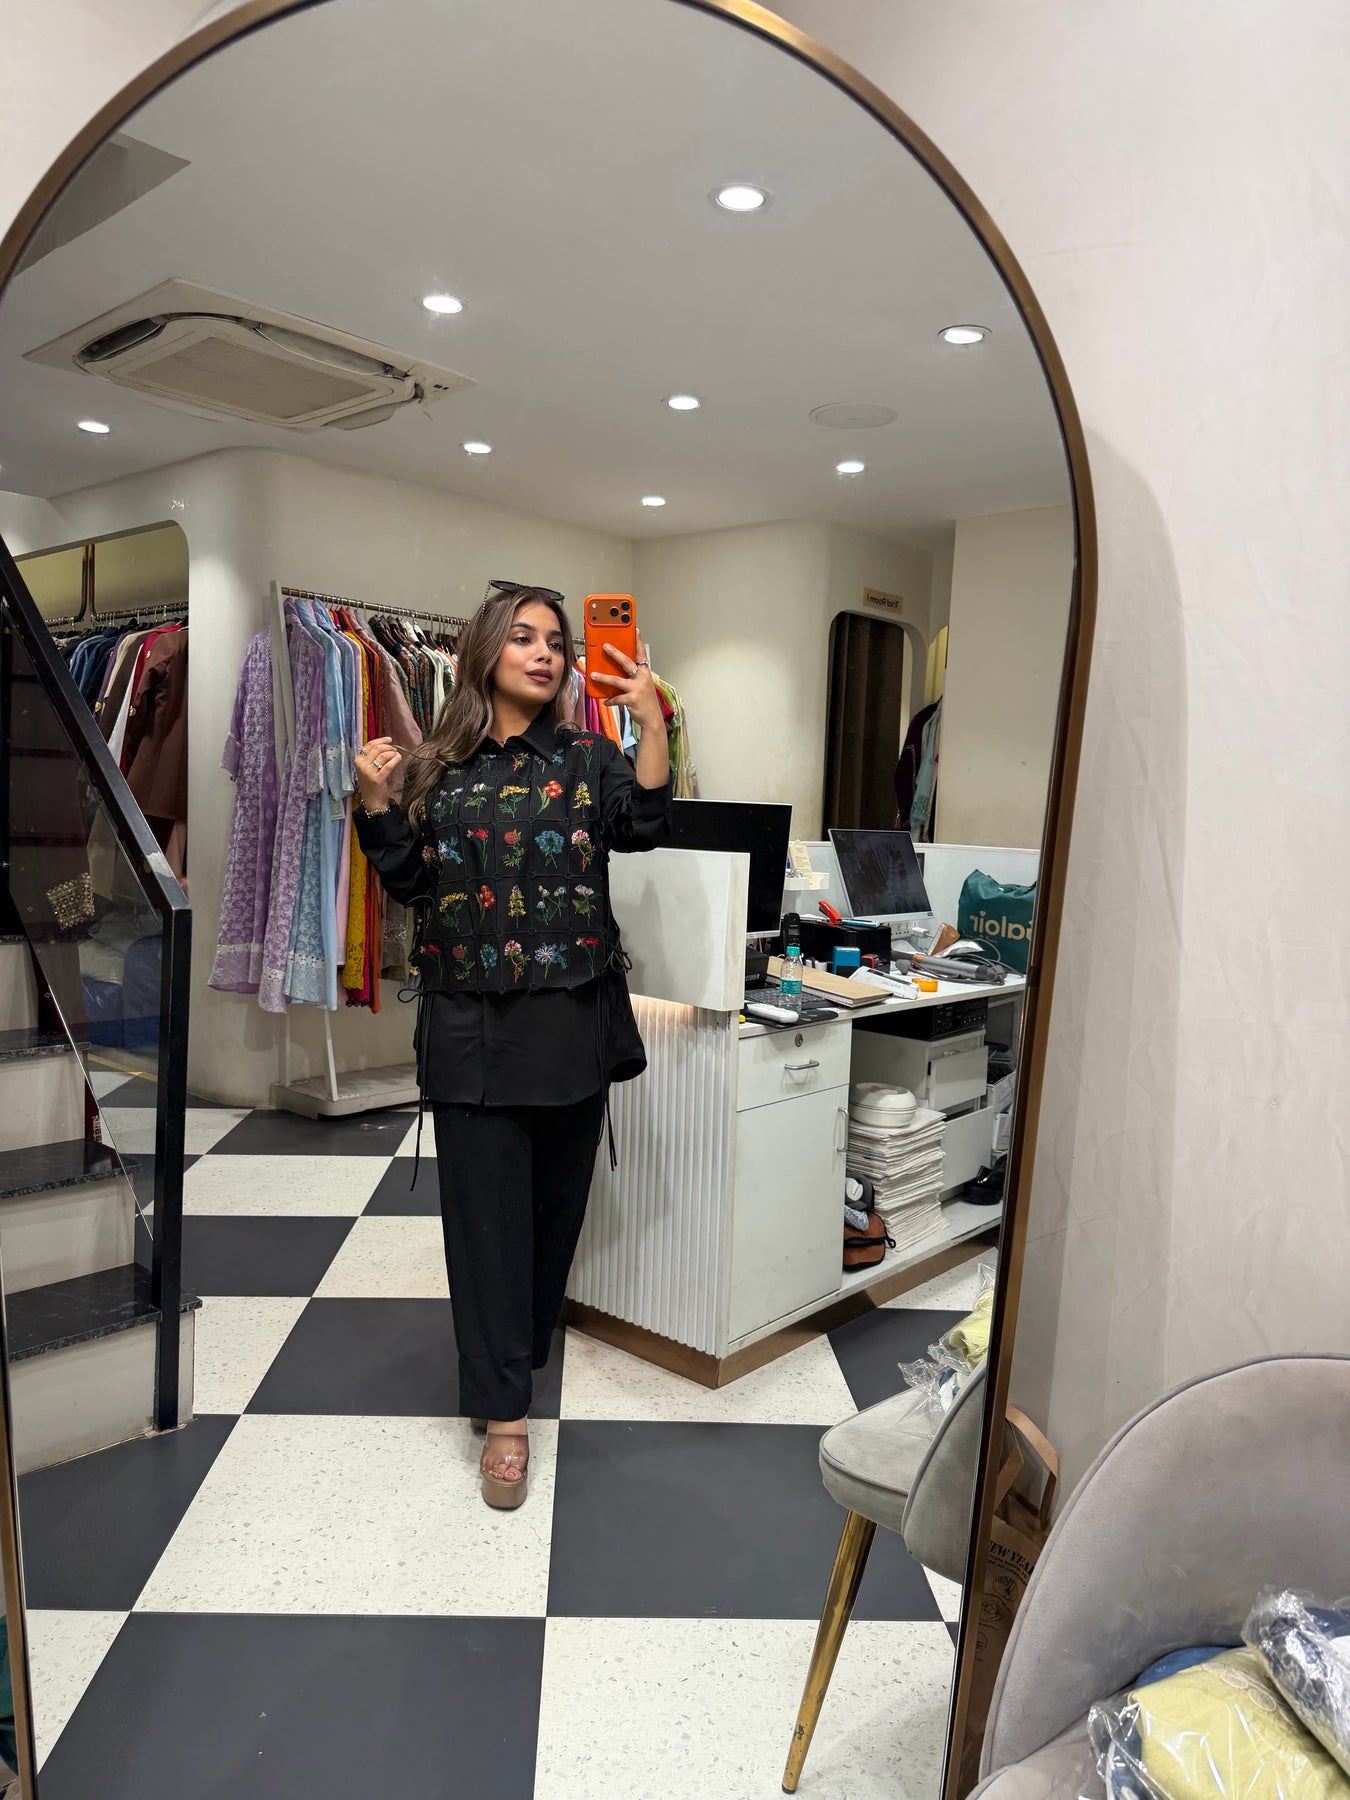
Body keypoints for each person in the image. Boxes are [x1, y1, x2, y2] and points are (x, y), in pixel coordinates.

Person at [352, 582, 670, 1508]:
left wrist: (652, 722)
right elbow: (411, 882)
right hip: (471, 1032)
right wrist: (375, 801)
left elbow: (645, 826)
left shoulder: (588, 757)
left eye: (556, 643)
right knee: (486, 1229)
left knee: (551, 1219)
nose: (545, 654)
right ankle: (504, 1416)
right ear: (485, 651)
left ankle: (515, 1357)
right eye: (525, 637)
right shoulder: (433, 767)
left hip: (570, 1028)